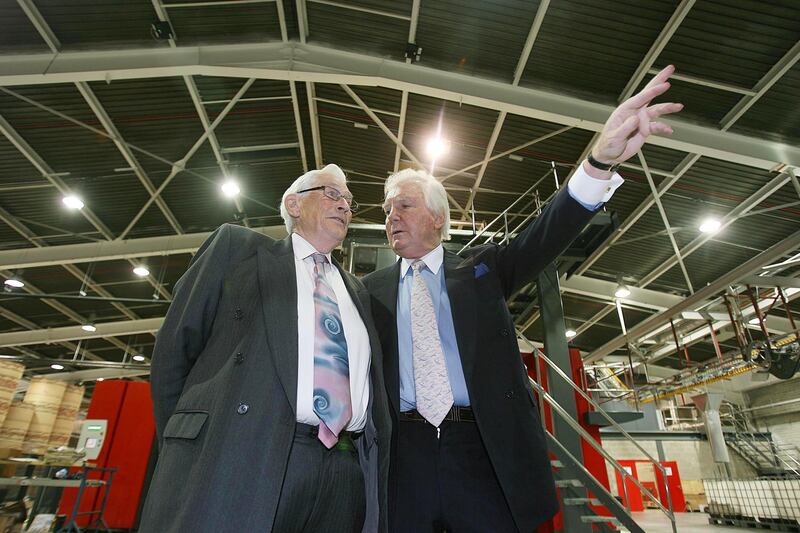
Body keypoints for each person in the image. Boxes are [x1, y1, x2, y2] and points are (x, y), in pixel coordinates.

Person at [362, 65, 683, 532]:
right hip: (402, 458)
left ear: (436, 217)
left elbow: (544, 235)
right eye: (387, 209)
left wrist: (597, 162)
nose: (392, 216)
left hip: (483, 450)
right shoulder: (367, 291)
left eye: (404, 206)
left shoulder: (482, 270)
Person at [139, 164, 390, 533]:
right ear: (294, 204)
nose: (345, 207)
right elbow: (175, 348)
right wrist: (189, 444)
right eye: (333, 194)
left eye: (349, 202)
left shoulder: (357, 291)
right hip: (248, 454)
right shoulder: (237, 250)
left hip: (344, 468)